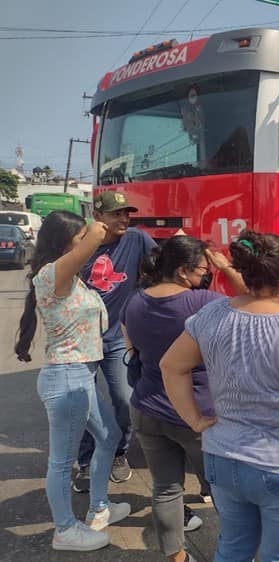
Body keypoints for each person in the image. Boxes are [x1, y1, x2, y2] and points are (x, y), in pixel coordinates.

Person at [160, 231, 279, 562]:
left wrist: (194, 419)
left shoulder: (212, 315)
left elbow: (170, 366)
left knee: (233, 547)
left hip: (222, 458)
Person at [122, 235, 248, 562]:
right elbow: (253, 299)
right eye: (202, 270)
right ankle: (237, 553)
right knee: (227, 492)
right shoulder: (201, 302)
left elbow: (131, 349)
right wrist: (227, 268)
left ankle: (177, 558)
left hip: (147, 408)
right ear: (182, 271)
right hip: (197, 413)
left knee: (165, 489)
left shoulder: (134, 301)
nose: (205, 275)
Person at [15, 211, 131, 552]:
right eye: (79, 239)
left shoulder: (71, 277)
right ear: (64, 242)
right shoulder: (52, 275)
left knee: (109, 436)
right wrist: (99, 226)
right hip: (66, 378)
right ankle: (65, 530)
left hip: (81, 376)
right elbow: (94, 239)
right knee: (62, 462)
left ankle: (99, 509)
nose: (87, 244)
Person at [74, 191, 157, 492]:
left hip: (119, 338)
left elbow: (158, 266)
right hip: (82, 339)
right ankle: (85, 460)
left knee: (124, 399)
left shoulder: (137, 239)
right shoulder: (80, 245)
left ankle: (119, 451)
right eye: (116, 213)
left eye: (126, 213)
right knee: (85, 403)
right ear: (98, 217)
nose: (124, 219)